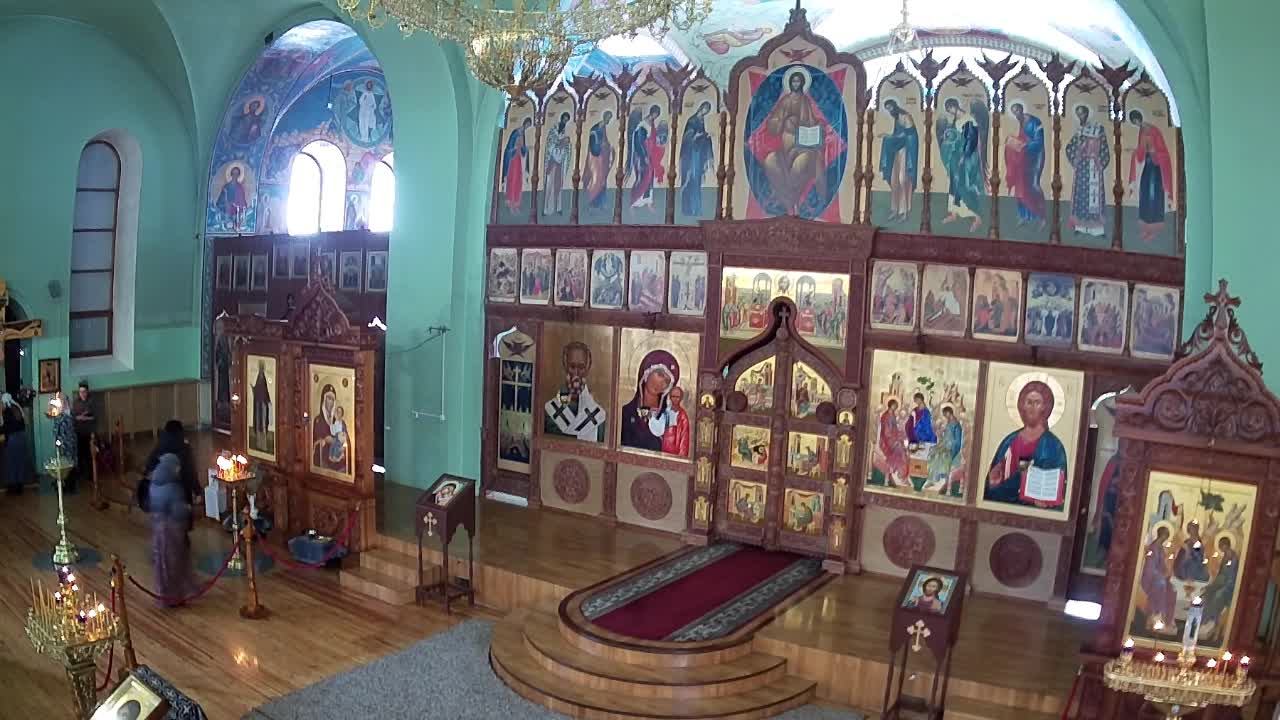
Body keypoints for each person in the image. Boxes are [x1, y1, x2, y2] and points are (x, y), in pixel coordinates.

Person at [984, 380, 1069, 509]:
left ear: (1045, 407)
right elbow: (990, 486)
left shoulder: (1054, 446)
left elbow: (1058, 487)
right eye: (1029, 402)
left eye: (1037, 403)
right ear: (1022, 406)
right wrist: (992, 482)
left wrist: (1047, 500)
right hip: (1003, 507)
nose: (1032, 407)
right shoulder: (1009, 441)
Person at [149, 452, 195, 608]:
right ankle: (175, 597)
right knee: (175, 564)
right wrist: (188, 509)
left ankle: (163, 596)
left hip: (158, 528)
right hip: (172, 530)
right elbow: (178, 510)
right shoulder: (173, 487)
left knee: (162, 565)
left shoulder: (154, 483)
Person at [936, 97, 988, 232]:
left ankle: (977, 217)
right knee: (954, 183)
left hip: (967, 157)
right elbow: (956, 136)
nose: (950, 112)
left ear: (955, 106)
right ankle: (954, 213)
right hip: (957, 156)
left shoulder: (968, 119)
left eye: (950, 109)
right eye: (948, 110)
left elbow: (971, 141)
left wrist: (964, 156)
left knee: (965, 185)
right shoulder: (956, 120)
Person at [620, 350, 680, 454]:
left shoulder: (667, 417)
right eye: (660, 374)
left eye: (667, 381)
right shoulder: (627, 412)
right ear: (646, 373)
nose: (661, 383)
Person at [544, 342, 606, 442]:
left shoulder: (598, 415)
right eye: (572, 367)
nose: (576, 374)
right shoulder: (550, 410)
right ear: (565, 366)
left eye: (581, 367)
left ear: (587, 368)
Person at [1127, 109, 1173, 243]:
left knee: (1154, 195)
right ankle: (1146, 228)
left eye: (1136, 121)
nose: (1136, 124)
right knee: (1145, 193)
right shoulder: (1142, 131)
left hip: (1156, 166)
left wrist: (1154, 152)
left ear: (1139, 119)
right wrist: (1137, 153)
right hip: (1147, 165)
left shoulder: (1154, 131)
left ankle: (1154, 229)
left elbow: (1163, 151)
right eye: (1134, 123)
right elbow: (1141, 151)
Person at [1066, 104, 1111, 236]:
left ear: (1087, 114)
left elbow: (1104, 148)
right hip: (1082, 167)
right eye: (1078, 114)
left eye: (1082, 113)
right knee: (1081, 195)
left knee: (1095, 196)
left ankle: (1097, 229)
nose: (1081, 116)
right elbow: (1069, 147)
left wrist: (1099, 161)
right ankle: (1080, 226)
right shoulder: (1079, 131)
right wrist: (1078, 155)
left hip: (1094, 166)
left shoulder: (1098, 128)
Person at [1004, 102, 1046, 226]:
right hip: (1024, 157)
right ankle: (1024, 215)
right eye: (1014, 112)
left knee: (1034, 185)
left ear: (1022, 110)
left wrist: (1024, 145)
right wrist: (1014, 143)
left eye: (1017, 111)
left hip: (1036, 157)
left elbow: (1039, 142)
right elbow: (1023, 138)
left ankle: (1041, 215)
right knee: (1020, 185)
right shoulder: (1021, 122)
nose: (1016, 114)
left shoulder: (1035, 122)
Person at [878, 98, 919, 223]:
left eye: (890, 108)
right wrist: (888, 136)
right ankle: (894, 209)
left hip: (906, 150)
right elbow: (897, 135)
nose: (890, 111)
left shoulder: (906, 117)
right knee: (893, 179)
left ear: (895, 106)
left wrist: (890, 138)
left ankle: (904, 211)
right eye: (887, 109)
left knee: (903, 179)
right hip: (897, 149)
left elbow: (910, 136)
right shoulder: (897, 119)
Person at [143, 420, 199, 506]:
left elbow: (149, 467)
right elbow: (190, 473)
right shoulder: (185, 448)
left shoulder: (160, 445)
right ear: (181, 432)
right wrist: (197, 491)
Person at [679, 101, 714, 217]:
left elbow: (701, 136)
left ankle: (696, 209)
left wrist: (706, 136)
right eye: (705, 110)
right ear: (701, 108)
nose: (705, 112)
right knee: (691, 180)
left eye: (707, 111)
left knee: (697, 181)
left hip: (697, 155)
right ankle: (689, 209)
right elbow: (687, 138)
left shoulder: (701, 121)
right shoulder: (692, 121)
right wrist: (696, 136)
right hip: (690, 156)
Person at [543, 112, 572, 216]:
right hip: (552, 164)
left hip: (559, 165)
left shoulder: (564, 134)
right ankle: (546, 209)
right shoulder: (553, 131)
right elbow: (550, 144)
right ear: (561, 119)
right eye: (564, 119)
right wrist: (558, 144)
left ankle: (558, 208)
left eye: (567, 121)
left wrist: (565, 145)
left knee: (559, 186)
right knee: (549, 185)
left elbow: (567, 150)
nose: (565, 122)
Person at [501, 117, 532, 213]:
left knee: (518, 180)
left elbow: (522, 148)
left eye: (529, 126)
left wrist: (526, 149)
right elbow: (510, 147)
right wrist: (516, 147)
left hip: (518, 159)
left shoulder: (523, 134)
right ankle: (510, 203)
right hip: (512, 159)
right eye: (527, 125)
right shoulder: (515, 132)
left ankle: (516, 204)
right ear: (525, 123)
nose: (527, 127)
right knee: (512, 180)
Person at [2, 393, 28, 495]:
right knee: (20, 462)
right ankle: (19, 486)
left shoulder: (7, 411)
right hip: (22, 437)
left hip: (12, 438)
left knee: (12, 463)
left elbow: (5, 427)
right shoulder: (17, 407)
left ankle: (13, 486)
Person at [878, 398, 909, 486]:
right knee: (901, 451)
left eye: (897, 405)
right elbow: (886, 433)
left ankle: (900, 476)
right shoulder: (886, 416)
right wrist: (897, 437)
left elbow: (894, 429)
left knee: (904, 449)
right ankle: (901, 476)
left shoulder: (893, 415)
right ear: (891, 405)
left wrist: (901, 435)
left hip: (893, 438)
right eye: (895, 405)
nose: (896, 407)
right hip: (886, 441)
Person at [71, 382, 96, 487]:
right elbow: (73, 417)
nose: (82, 394)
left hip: (89, 431)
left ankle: (91, 475)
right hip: (79, 432)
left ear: (87, 391)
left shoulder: (92, 402)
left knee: (89, 455)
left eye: (84, 392)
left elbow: (94, 417)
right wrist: (78, 418)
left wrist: (85, 418)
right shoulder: (76, 402)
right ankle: (81, 475)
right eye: (80, 392)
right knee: (80, 454)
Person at [660, 386, 691, 457]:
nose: (675, 399)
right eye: (673, 396)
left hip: (675, 450)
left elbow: (684, 438)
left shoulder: (683, 416)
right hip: (663, 447)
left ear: (681, 398)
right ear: (670, 397)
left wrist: (681, 456)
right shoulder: (665, 411)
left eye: (677, 397)